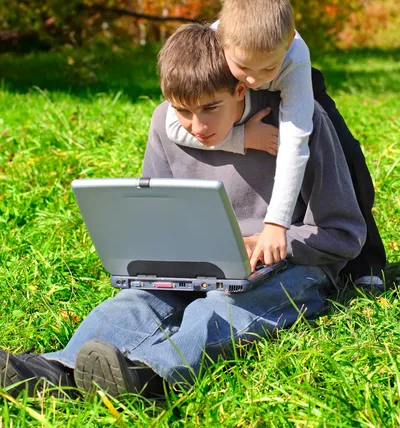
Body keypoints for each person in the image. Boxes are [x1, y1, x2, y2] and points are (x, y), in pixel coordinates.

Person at [0, 23, 367, 399]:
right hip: (196, 265)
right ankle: (57, 370)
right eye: (182, 110)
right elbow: (157, 212)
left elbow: (344, 232)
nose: (196, 126)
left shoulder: (297, 125)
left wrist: (274, 243)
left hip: (290, 266)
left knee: (226, 307)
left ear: (240, 88)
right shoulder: (166, 122)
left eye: (210, 108)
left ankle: (151, 376)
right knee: (137, 300)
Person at [165, 0, 386, 285]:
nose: (255, 80)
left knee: (347, 157)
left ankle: (366, 263)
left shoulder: (294, 59)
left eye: (267, 68)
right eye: (244, 67)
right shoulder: (214, 43)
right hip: (233, 90)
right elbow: (172, 125)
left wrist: (276, 222)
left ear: (290, 41)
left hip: (299, 90)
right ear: (223, 41)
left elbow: (295, 144)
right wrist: (242, 139)